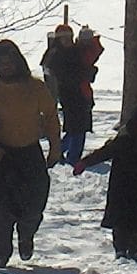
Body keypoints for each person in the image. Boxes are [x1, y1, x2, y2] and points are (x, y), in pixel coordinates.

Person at [0, 39, 56, 267]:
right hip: (2, 158)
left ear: (19, 62)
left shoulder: (36, 88)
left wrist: (55, 147)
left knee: (33, 206)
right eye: (1, 62)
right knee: (3, 210)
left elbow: (51, 118)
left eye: (10, 61)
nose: (6, 66)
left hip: (31, 155)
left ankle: (27, 235)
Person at [73, 105, 137, 262]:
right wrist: (84, 163)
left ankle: (135, 250)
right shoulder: (123, 142)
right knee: (120, 220)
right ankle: (120, 249)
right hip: (121, 188)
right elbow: (104, 153)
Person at [43, 23, 92, 166]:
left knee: (77, 127)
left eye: (69, 37)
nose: (67, 41)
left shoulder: (74, 51)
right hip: (69, 96)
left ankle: (60, 152)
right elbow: (66, 77)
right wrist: (85, 74)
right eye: (64, 38)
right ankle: (72, 157)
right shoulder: (55, 55)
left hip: (81, 94)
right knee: (77, 128)